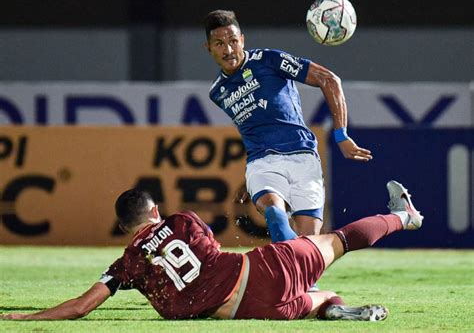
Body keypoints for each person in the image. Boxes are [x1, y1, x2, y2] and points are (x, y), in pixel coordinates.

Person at [0, 180, 423, 322]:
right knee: (340, 241)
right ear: (154, 211)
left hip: (249, 311)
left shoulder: (126, 264)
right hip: (261, 273)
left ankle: (331, 309)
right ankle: (406, 216)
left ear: (126, 228)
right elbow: (214, 251)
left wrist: (24, 316)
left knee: (323, 298)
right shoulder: (180, 220)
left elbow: (80, 307)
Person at [204, 9, 373, 241]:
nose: (229, 49)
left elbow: (329, 79)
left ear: (242, 39)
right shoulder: (217, 92)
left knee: (308, 246)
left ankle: (302, 277)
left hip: (303, 157)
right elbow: (253, 127)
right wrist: (252, 179)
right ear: (209, 48)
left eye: (233, 41)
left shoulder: (269, 60)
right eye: (220, 43)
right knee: (274, 212)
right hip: (263, 163)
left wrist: (341, 134)